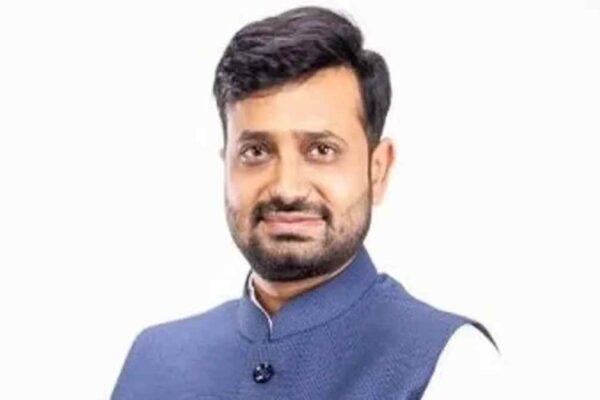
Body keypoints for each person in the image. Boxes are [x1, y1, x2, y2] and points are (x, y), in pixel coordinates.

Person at [111, 6, 500, 399]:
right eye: (256, 151)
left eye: (321, 149)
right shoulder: (154, 360)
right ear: (225, 165)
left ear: (377, 170)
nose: (287, 188)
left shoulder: (448, 359)